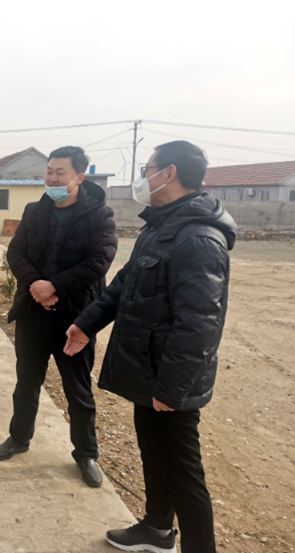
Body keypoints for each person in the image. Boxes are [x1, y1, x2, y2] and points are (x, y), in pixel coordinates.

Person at [65, 141, 235, 553]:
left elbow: (199, 325)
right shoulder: (162, 226)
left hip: (169, 381)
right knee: (154, 455)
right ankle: (157, 530)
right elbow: (125, 284)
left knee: (183, 474)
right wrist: (86, 324)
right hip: (148, 370)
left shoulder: (199, 239)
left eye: (147, 169)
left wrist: (172, 390)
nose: (142, 177)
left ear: (169, 173)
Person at [0, 146, 117, 487]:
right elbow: (16, 252)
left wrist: (55, 287)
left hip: (75, 319)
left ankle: (86, 454)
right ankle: (19, 438)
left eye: (60, 172)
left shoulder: (100, 215)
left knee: (78, 389)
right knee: (26, 383)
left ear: (80, 177)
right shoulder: (35, 211)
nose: (53, 178)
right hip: (33, 313)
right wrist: (36, 285)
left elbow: (98, 261)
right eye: (49, 171)